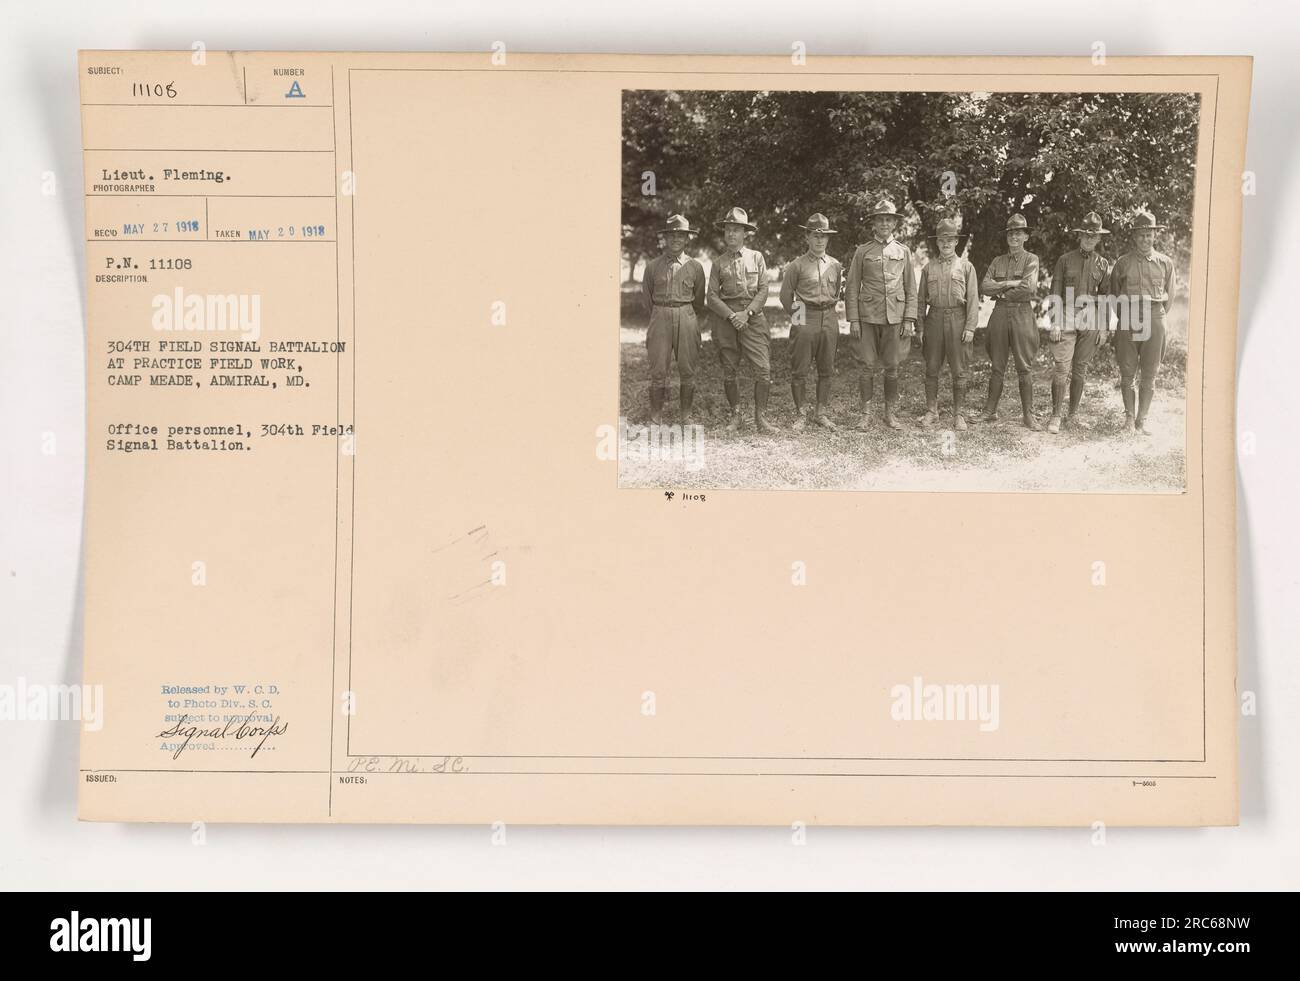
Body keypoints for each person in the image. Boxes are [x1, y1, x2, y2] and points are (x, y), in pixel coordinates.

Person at [706, 207, 779, 434]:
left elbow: (764, 289)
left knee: (763, 369)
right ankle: (736, 417)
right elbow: (711, 296)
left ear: (745, 233)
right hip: (726, 319)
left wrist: (746, 313)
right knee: (729, 369)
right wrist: (731, 315)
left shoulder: (756, 257)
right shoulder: (718, 263)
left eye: (736, 230)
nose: (731, 234)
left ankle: (761, 418)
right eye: (728, 229)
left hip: (752, 318)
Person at [845, 199, 917, 430]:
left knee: (892, 366)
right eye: (880, 219)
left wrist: (909, 319)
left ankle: (890, 414)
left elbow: (910, 288)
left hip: (895, 317)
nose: (884, 223)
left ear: (895, 223)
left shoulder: (903, 251)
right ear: (873, 224)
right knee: (866, 366)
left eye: (889, 219)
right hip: (867, 317)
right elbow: (853, 287)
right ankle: (865, 414)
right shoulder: (863, 251)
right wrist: (854, 319)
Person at [1105, 210, 1176, 435]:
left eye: (1149, 235)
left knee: (1149, 373)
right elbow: (1114, 295)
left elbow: (1170, 297)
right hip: (1128, 317)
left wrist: (1155, 317)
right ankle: (1128, 419)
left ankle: (1141, 420)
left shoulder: (1165, 263)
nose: (1145, 239)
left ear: (1155, 236)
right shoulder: (1123, 263)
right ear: (1134, 237)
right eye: (1141, 235)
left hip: (1155, 317)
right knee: (1127, 371)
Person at [1046, 211, 1112, 434]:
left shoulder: (1102, 265)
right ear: (1079, 235)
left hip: (1091, 316)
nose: (1089, 239)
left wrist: (1104, 326)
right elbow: (1055, 291)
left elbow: (1105, 298)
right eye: (1086, 235)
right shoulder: (1065, 260)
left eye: (1094, 236)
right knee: (1062, 367)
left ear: (1099, 238)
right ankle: (1055, 415)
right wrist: (1055, 322)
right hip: (1067, 314)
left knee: (1080, 368)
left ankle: (1071, 415)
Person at [640, 214, 707, 425]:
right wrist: (663, 313)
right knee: (658, 369)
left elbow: (698, 300)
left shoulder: (695, 267)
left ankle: (685, 415)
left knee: (687, 369)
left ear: (687, 239)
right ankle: (655, 415)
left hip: (686, 315)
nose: (676, 239)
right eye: (671, 235)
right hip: (660, 316)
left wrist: (683, 312)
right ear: (665, 238)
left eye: (681, 235)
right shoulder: (652, 267)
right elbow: (647, 300)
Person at [779, 213, 843, 431]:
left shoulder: (835, 265)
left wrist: (830, 316)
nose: (819, 240)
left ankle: (821, 413)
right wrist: (799, 320)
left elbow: (837, 292)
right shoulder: (796, 265)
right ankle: (801, 414)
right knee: (800, 369)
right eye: (815, 235)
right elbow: (785, 296)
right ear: (807, 237)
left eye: (824, 236)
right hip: (805, 316)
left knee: (826, 369)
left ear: (828, 239)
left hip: (829, 318)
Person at [979, 214, 1042, 430]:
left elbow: (1028, 288)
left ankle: (1028, 415)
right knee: (997, 365)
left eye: (1018, 233)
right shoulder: (998, 261)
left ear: (1025, 236)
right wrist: (1008, 282)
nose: (1014, 236)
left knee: (1024, 366)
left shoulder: (1031, 259)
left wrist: (1003, 292)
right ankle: (990, 411)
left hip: (1022, 314)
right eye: (1011, 233)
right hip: (999, 314)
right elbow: (985, 286)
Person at [916, 219, 979, 430]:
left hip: (958, 319)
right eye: (942, 240)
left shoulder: (966, 267)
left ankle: (958, 414)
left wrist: (970, 327)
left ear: (955, 241)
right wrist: (921, 328)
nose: (946, 244)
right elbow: (920, 300)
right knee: (932, 367)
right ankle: (931, 411)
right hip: (934, 318)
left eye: (950, 239)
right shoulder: (928, 269)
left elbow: (973, 299)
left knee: (959, 369)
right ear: (937, 242)